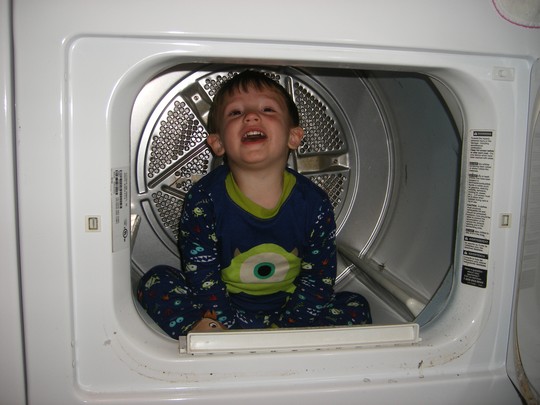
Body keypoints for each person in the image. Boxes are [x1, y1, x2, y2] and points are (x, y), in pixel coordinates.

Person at [137, 69, 371, 338]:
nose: (250, 116)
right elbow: (202, 275)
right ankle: (215, 333)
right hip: (222, 310)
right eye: (235, 113)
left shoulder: (314, 203)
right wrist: (228, 327)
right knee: (156, 281)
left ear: (294, 137)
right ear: (218, 143)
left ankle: (284, 341)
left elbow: (318, 280)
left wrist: (286, 328)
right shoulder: (204, 199)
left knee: (355, 305)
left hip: (290, 310)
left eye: (267, 109)